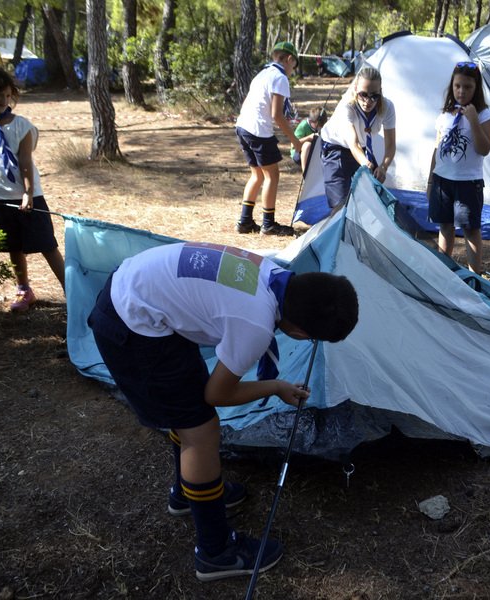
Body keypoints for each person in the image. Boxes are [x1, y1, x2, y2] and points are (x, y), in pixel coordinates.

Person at [87, 242, 359, 582]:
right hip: (132, 324)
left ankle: (188, 494)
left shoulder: (272, 272)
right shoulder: (256, 323)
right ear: (301, 333)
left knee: (190, 412)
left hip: (140, 296)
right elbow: (217, 394)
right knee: (201, 432)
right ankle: (216, 552)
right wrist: (275, 387)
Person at [0, 66, 66, 312]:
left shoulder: (22, 126)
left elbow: (25, 162)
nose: (3, 101)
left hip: (29, 196)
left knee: (47, 245)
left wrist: (28, 193)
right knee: (13, 246)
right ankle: (24, 290)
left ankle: (71, 291)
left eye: (8, 96)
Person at [427, 61, 490, 274]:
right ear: (452, 86)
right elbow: (437, 149)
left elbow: (484, 149)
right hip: (442, 181)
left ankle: (475, 276)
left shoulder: (484, 115)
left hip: (468, 182)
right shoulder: (445, 115)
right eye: (457, 86)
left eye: (467, 87)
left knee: (471, 230)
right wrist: (430, 180)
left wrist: (473, 120)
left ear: (476, 89)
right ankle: (443, 271)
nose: (461, 91)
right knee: (445, 227)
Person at [234, 41, 303, 236]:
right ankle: (268, 224)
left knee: (257, 175)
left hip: (243, 127)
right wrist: (295, 141)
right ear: (289, 59)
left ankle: (245, 221)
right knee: (272, 175)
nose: (292, 70)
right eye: (294, 66)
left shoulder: (263, 73)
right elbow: (277, 115)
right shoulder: (279, 78)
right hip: (258, 130)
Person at [320, 66, 396, 209]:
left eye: (374, 96)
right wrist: (366, 164)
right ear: (355, 89)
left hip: (361, 149)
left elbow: (391, 144)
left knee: (368, 197)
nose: (368, 101)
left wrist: (384, 167)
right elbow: (353, 144)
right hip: (336, 147)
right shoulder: (347, 107)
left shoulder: (387, 107)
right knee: (340, 204)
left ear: (380, 92)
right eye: (363, 94)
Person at [291, 107, 326, 172]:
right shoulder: (303, 126)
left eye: (322, 125)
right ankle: (305, 173)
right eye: (318, 125)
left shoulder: (324, 127)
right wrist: (309, 137)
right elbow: (293, 145)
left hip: (315, 153)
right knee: (307, 145)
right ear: (311, 121)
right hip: (299, 154)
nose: (320, 127)